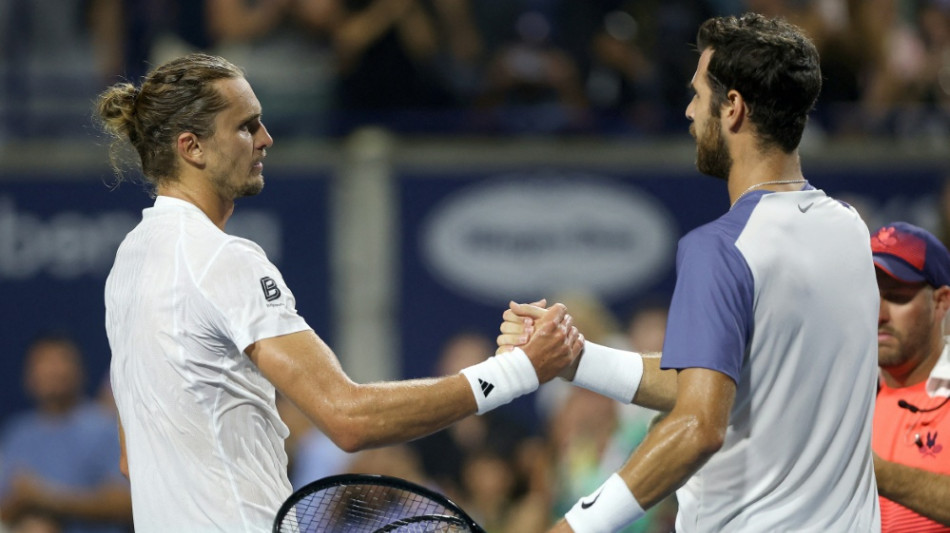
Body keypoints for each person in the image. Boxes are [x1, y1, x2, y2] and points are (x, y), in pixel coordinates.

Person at [94, 52, 582, 532]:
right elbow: (350, 418)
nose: (265, 139)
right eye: (246, 126)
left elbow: (131, 459)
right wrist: (516, 371)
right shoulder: (221, 259)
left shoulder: (129, 264)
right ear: (191, 148)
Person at [498, 13, 880, 532]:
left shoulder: (721, 250)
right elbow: (714, 381)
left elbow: (699, 425)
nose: (688, 111)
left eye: (698, 95)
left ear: (734, 108)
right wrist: (575, 359)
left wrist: (575, 526)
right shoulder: (850, 231)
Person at [0, 333, 132, 533]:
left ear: (80, 370)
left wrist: (49, 499)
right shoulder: (18, 432)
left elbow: (128, 502)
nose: (52, 371)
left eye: (60, 361)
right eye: (43, 363)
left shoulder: (105, 427)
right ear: (28, 375)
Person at [870, 221, 950, 531]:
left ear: (940, 301)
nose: (878, 314)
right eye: (869, 295)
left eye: (897, 296)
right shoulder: (843, 395)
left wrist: (880, 475)